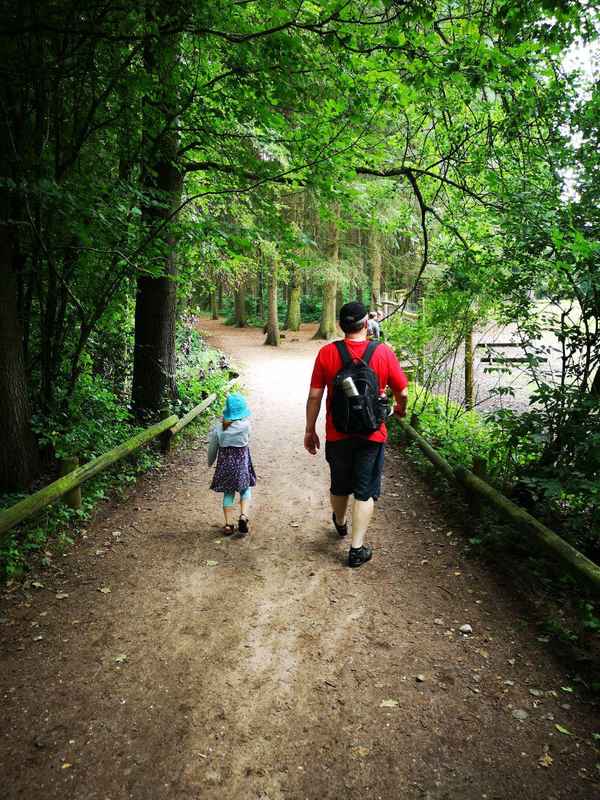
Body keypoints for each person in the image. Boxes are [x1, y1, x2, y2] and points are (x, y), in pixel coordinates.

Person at [304, 301, 408, 567]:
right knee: (365, 491)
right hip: (372, 435)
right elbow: (402, 392)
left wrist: (310, 429)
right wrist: (400, 409)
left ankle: (339, 522)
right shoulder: (383, 352)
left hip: (338, 433)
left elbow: (315, 395)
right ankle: (356, 549)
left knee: (339, 484)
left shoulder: (327, 353)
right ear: (366, 324)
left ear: (340, 325)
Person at [208, 393, 256, 537]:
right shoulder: (246, 426)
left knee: (228, 493)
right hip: (241, 465)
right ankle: (243, 516)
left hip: (225, 467)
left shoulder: (219, 428)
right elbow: (247, 439)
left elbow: (212, 448)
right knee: (245, 490)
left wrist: (210, 462)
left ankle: (228, 525)